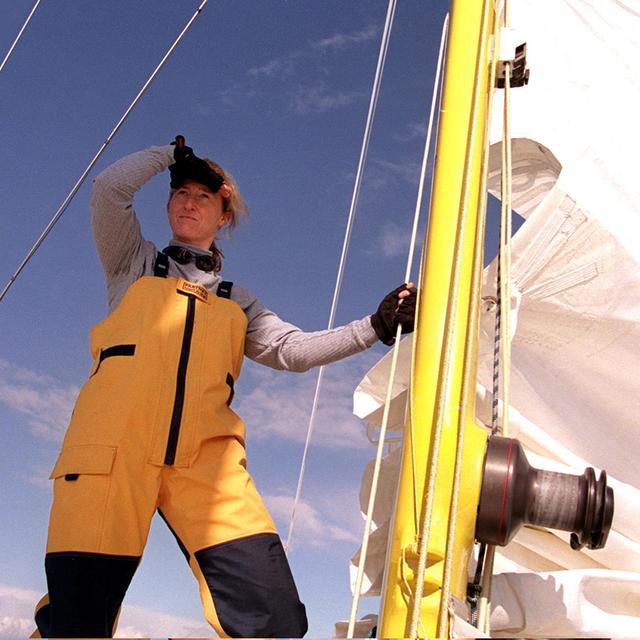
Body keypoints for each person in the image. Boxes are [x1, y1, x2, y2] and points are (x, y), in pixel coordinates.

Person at [33, 137, 417, 638]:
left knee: (271, 615)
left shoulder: (239, 302)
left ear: (224, 216)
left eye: (204, 196)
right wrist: (168, 157)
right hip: (107, 456)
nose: (189, 201)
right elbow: (108, 191)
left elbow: (292, 350)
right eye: (180, 193)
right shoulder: (133, 264)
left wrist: (375, 326)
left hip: (207, 465)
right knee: (77, 621)